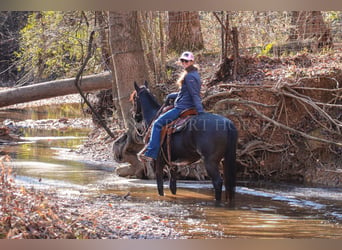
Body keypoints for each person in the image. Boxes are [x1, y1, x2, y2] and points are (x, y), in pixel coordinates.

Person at [138, 51, 204, 161]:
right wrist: (172, 95)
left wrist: (201, 112)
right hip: (186, 103)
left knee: (157, 123)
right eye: (182, 61)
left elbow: (194, 94)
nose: (184, 63)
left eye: (186, 61)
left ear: (192, 61)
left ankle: (152, 152)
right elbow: (186, 93)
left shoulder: (189, 77)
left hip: (182, 107)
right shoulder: (194, 74)